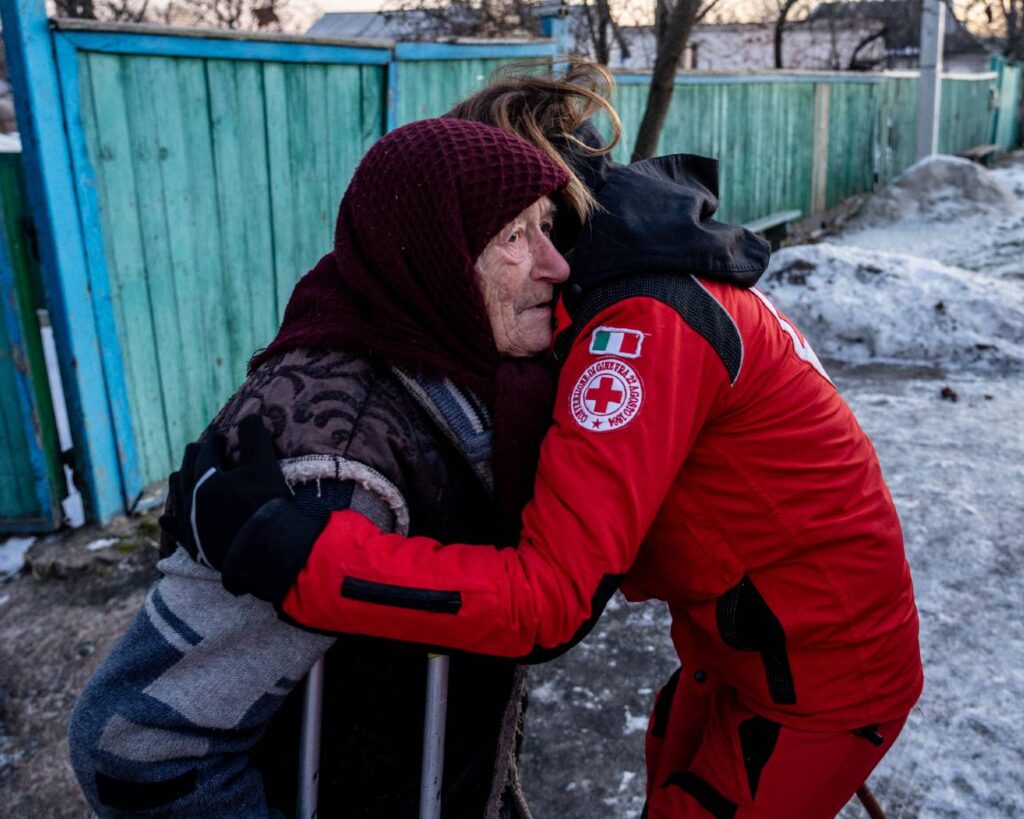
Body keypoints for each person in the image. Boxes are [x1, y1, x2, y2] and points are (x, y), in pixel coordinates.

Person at [168, 72, 924, 817]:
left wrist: (292, 556)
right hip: (745, 644)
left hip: (816, 675)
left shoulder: (638, 327)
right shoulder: (645, 272)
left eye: (504, 217)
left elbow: (550, 601)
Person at [68, 116, 588, 818]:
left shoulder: (467, 369)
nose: (555, 264)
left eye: (546, 225)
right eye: (514, 236)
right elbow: (137, 743)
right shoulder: (333, 461)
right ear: (436, 253)